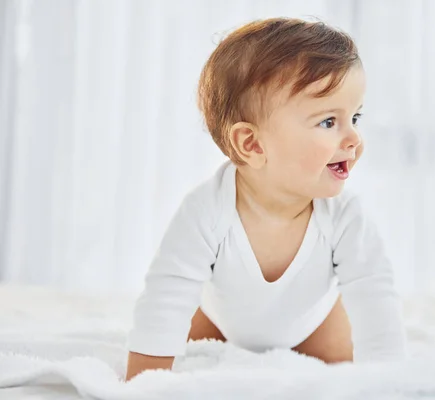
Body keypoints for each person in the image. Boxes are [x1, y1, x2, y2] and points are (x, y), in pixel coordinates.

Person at [125, 17, 405, 381]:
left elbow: (375, 299)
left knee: (345, 354)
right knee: (182, 335)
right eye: (328, 122)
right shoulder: (205, 211)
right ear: (252, 144)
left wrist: (393, 381)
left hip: (314, 327)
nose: (354, 138)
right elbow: (167, 295)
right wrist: (143, 384)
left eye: (355, 116)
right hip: (219, 322)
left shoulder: (344, 216)